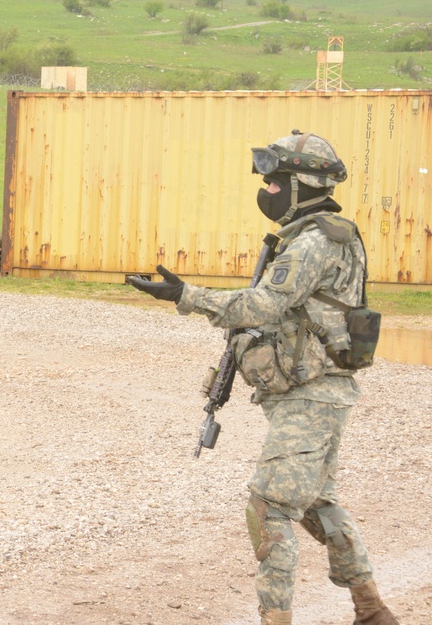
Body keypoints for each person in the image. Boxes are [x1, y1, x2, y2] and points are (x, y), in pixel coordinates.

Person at [127, 131, 398, 625]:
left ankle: (278, 618)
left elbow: (262, 304)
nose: (267, 191)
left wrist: (185, 296)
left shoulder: (316, 241)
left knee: (269, 508)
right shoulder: (315, 235)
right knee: (317, 504)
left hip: (311, 397)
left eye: (274, 183)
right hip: (317, 393)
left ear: (300, 184)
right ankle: (372, 610)